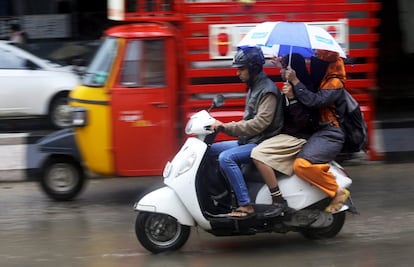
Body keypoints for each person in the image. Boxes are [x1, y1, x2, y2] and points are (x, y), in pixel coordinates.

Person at [209, 46, 284, 219]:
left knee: (226, 158)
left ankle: (245, 205)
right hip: (249, 139)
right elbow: (249, 119)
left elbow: (260, 124)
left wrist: (226, 127)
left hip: (261, 142)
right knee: (209, 151)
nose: (238, 73)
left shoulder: (268, 91)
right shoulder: (253, 87)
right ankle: (222, 197)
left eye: (241, 69)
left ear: (253, 68)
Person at [251, 53, 317, 215]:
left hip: (299, 137)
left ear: (294, 70)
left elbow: (304, 123)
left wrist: (293, 99)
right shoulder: (287, 86)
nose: (281, 72)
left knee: (257, 154)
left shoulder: (305, 89)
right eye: (282, 68)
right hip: (286, 134)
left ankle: (278, 200)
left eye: (285, 68)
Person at [284, 49, 349, 213]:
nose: (313, 64)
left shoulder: (335, 83)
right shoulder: (322, 79)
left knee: (301, 165)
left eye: (318, 61)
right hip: (318, 131)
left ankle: (337, 191)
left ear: (328, 64)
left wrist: (295, 80)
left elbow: (315, 101)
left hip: (331, 133)